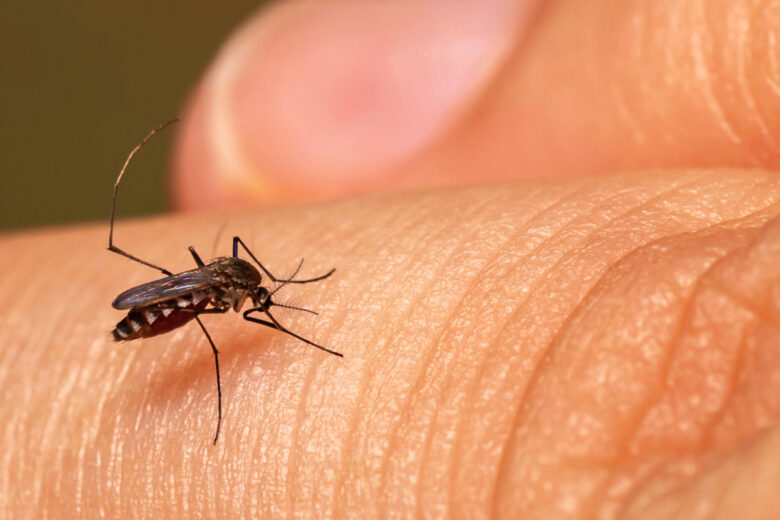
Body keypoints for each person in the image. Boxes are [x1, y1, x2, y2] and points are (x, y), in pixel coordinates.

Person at [4, 1, 779, 517]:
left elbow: (235, 277)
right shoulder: (219, 293)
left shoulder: (234, 281)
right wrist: (241, 309)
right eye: (262, 296)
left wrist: (273, 291)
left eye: (263, 297)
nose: (257, 300)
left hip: (190, 289)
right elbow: (218, 293)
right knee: (201, 316)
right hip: (173, 300)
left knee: (210, 290)